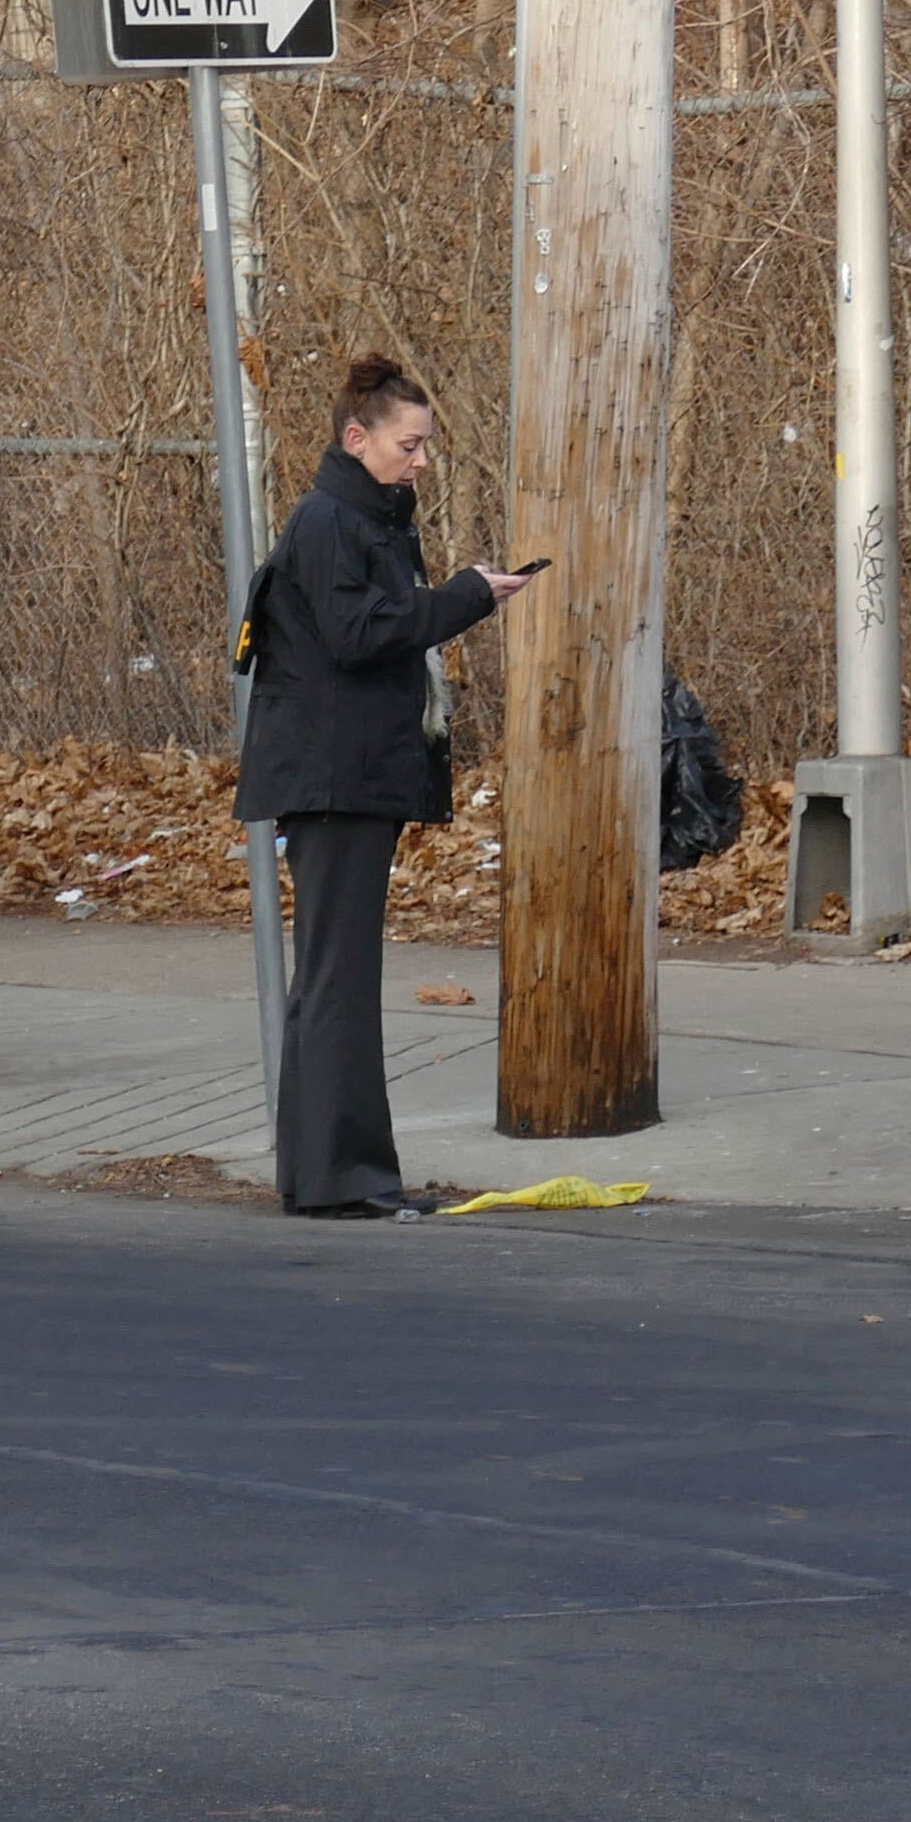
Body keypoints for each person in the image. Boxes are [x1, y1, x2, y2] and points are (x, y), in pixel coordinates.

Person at [236, 354, 531, 1218]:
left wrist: (456, 595)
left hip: (350, 774)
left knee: (335, 975)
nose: (423, 462)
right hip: (335, 781)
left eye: (427, 446)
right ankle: (343, 1177)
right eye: (410, 445)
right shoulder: (331, 520)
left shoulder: (368, 517)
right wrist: (468, 596)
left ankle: (326, 1171)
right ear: (357, 439)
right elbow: (359, 634)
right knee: (337, 977)